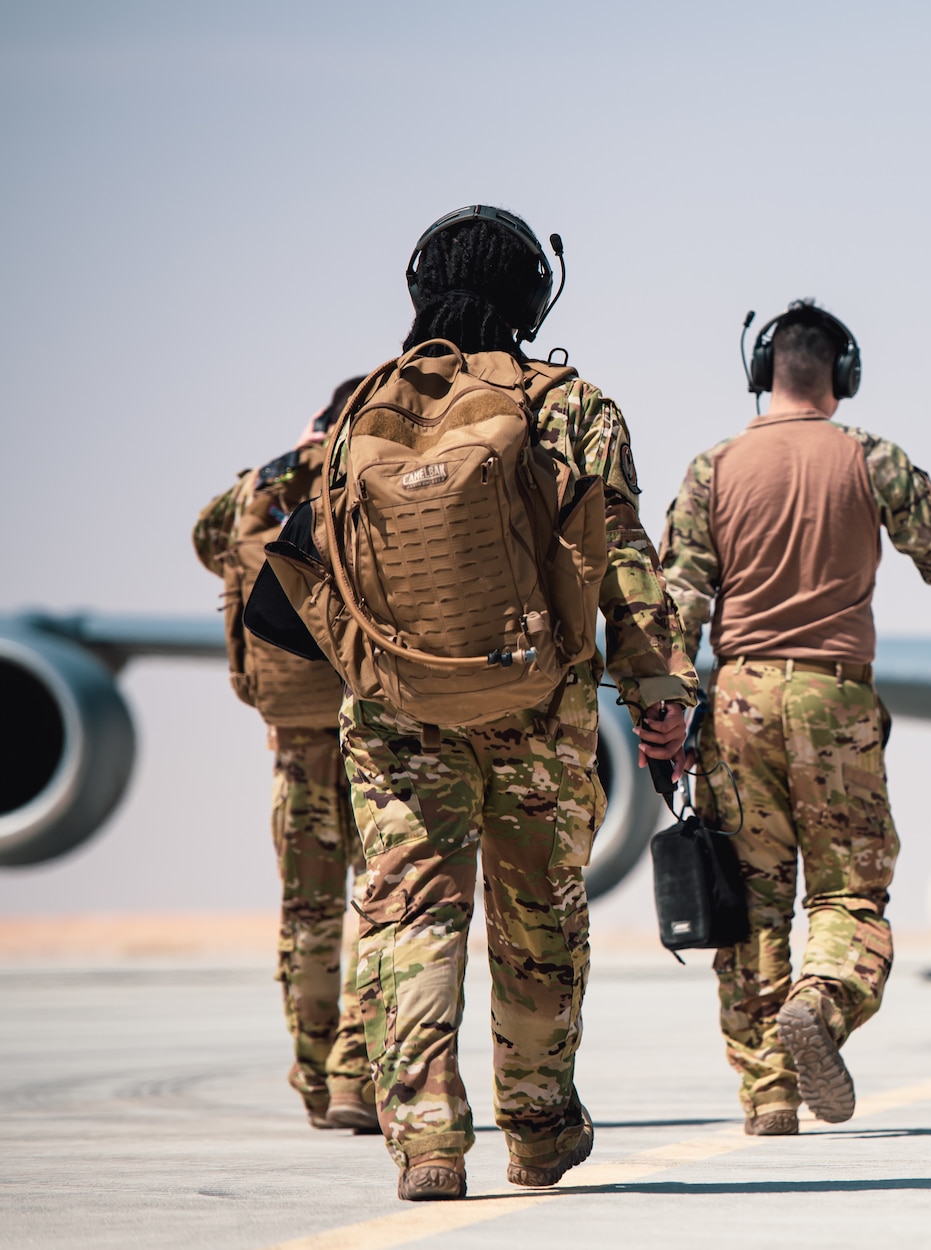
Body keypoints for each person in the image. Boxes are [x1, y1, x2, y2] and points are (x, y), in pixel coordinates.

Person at [329, 207, 698, 1200]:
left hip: (398, 710)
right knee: (537, 918)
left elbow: (316, 575)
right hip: (541, 706)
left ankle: (428, 1136)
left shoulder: (363, 409)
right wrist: (658, 692)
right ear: (536, 296)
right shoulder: (574, 407)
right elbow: (622, 555)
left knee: (412, 913)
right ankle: (536, 1125)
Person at [657, 300, 931, 1137]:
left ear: (765, 373)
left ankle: (768, 1094)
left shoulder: (713, 467)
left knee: (751, 902)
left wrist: (665, 715)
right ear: (842, 376)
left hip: (738, 699)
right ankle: (823, 1003)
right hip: (835, 699)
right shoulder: (870, 457)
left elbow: (676, 605)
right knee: (847, 891)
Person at [191, 377, 379, 1134]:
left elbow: (208, 543)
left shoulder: (262, 488)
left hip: (295, 741)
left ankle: (312, 1076)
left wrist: (283, 461)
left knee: (308, 912)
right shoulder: (369, 471)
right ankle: (355, 1078)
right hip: (374, 723)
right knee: (382, 904)